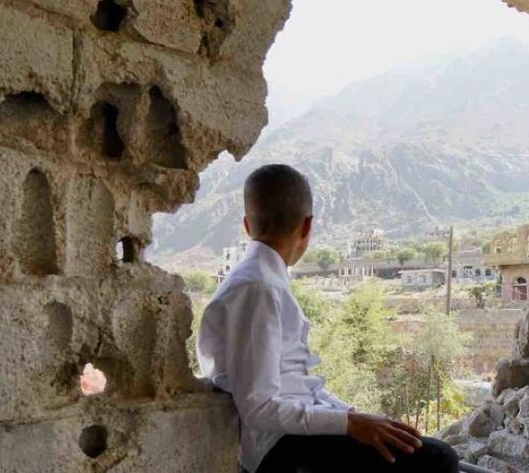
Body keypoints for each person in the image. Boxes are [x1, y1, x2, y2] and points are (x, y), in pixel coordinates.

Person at [196, 164, 459, 473]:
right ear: (307, 227)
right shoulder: (259, 288)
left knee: (407, 441)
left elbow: (296, 384)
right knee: (437, 459)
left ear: (246, 225)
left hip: (292, 431)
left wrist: (351, 414)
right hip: (278, 446)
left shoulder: (260, 280)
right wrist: (348, 422)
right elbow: (259, 407)